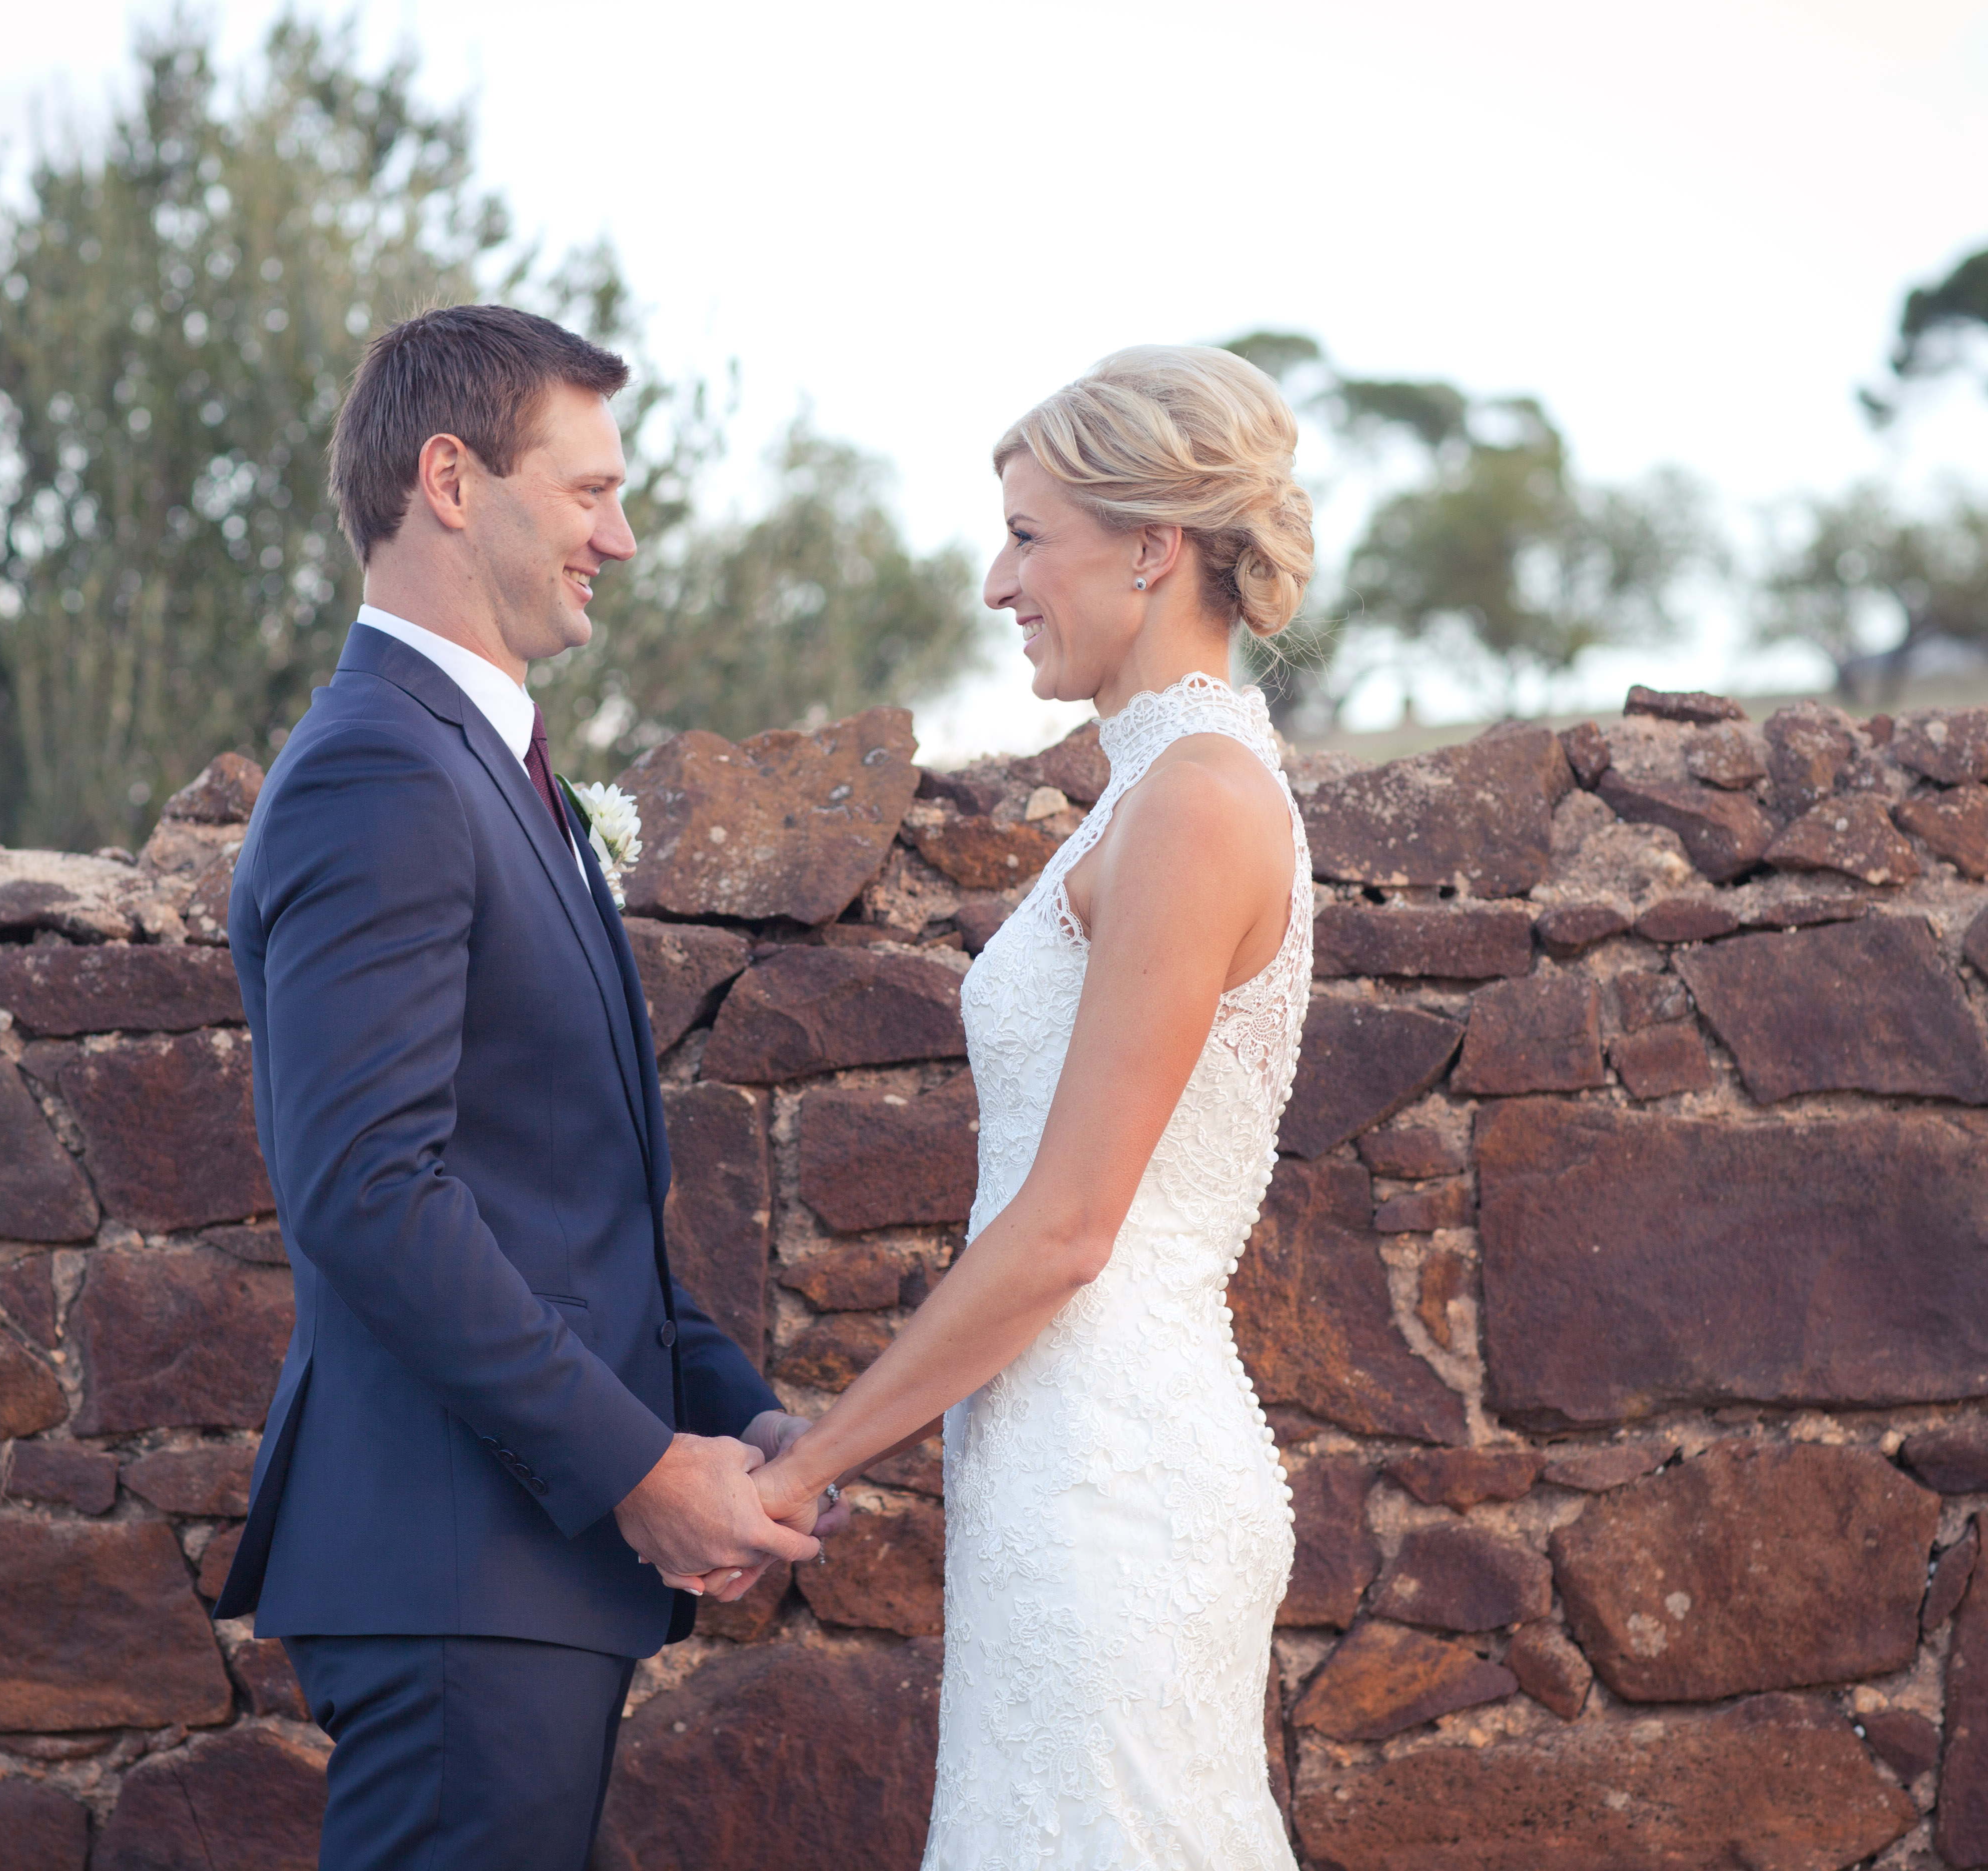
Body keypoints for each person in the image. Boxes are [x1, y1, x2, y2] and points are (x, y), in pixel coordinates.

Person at [216, 303, 834, 1871]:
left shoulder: (490, 771)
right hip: (459, 1571)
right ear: (450, 480)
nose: (618, 540)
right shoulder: (382, 768)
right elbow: (372, 1195)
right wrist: (639, 1471)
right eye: (589, 493)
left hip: (507, 1579)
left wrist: (744, 1421)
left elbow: (561, 1207)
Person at [748, 345, 1317, 1868]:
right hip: (1061, 1469)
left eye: (1025, 536)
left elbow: (1068, 1228)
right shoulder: (1153, 791)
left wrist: (807, 1465)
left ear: (1152, 547)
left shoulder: (1198, 800)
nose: (998, 582)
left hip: (1116, 1488)